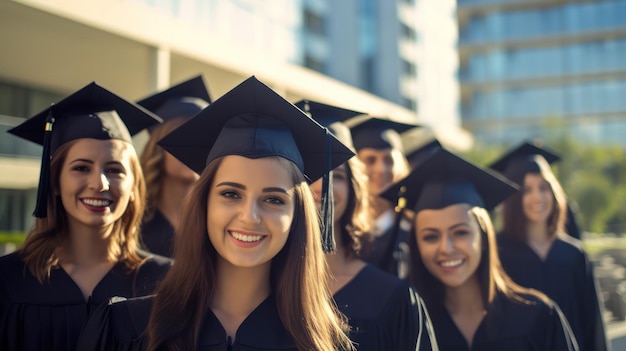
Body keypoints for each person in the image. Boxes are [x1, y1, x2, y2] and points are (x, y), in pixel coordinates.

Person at [76, 76, 357, 351]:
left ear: (298, 216)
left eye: (273, 199)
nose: (249, 216)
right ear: (204, 204)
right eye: (231, 194)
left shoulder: (322, 343)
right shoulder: (127, 328)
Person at [0, 82, 173, 351]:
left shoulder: (166, 281)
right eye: (81, 168)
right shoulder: (8, 280)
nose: (100, 183)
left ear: (133, 187)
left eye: (115, 169)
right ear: (54, 182)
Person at [381, 148, 579, 350]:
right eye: (430, 237)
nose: (446, 248)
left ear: (484, 237)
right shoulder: (406, 327)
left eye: (460, 233)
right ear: (416, 245)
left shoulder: (539, 317)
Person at [296, 100, 437, 350]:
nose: (320, 186)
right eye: (307, 174)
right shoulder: (261, 290)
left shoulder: (394, 298)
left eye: (336, 176)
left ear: (353, 189)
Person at [488, 141, 608, 351]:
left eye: (544, 187)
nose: (538, 197)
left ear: (554, 192)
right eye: (527, 190)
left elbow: (593, 324)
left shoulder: (573, 254)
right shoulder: (497, 252)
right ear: (514, 197)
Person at [137, 75, 211, 257]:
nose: (193, 146)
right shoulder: (134, 225)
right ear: (158, 147)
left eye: (203, 137)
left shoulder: (217, 223)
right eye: (181, 136)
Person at [348, 116, 417, 279]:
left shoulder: (414, 231)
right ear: (354, 167)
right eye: (370, 160)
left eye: (389, 160)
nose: (381, 169)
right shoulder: (343, 231)